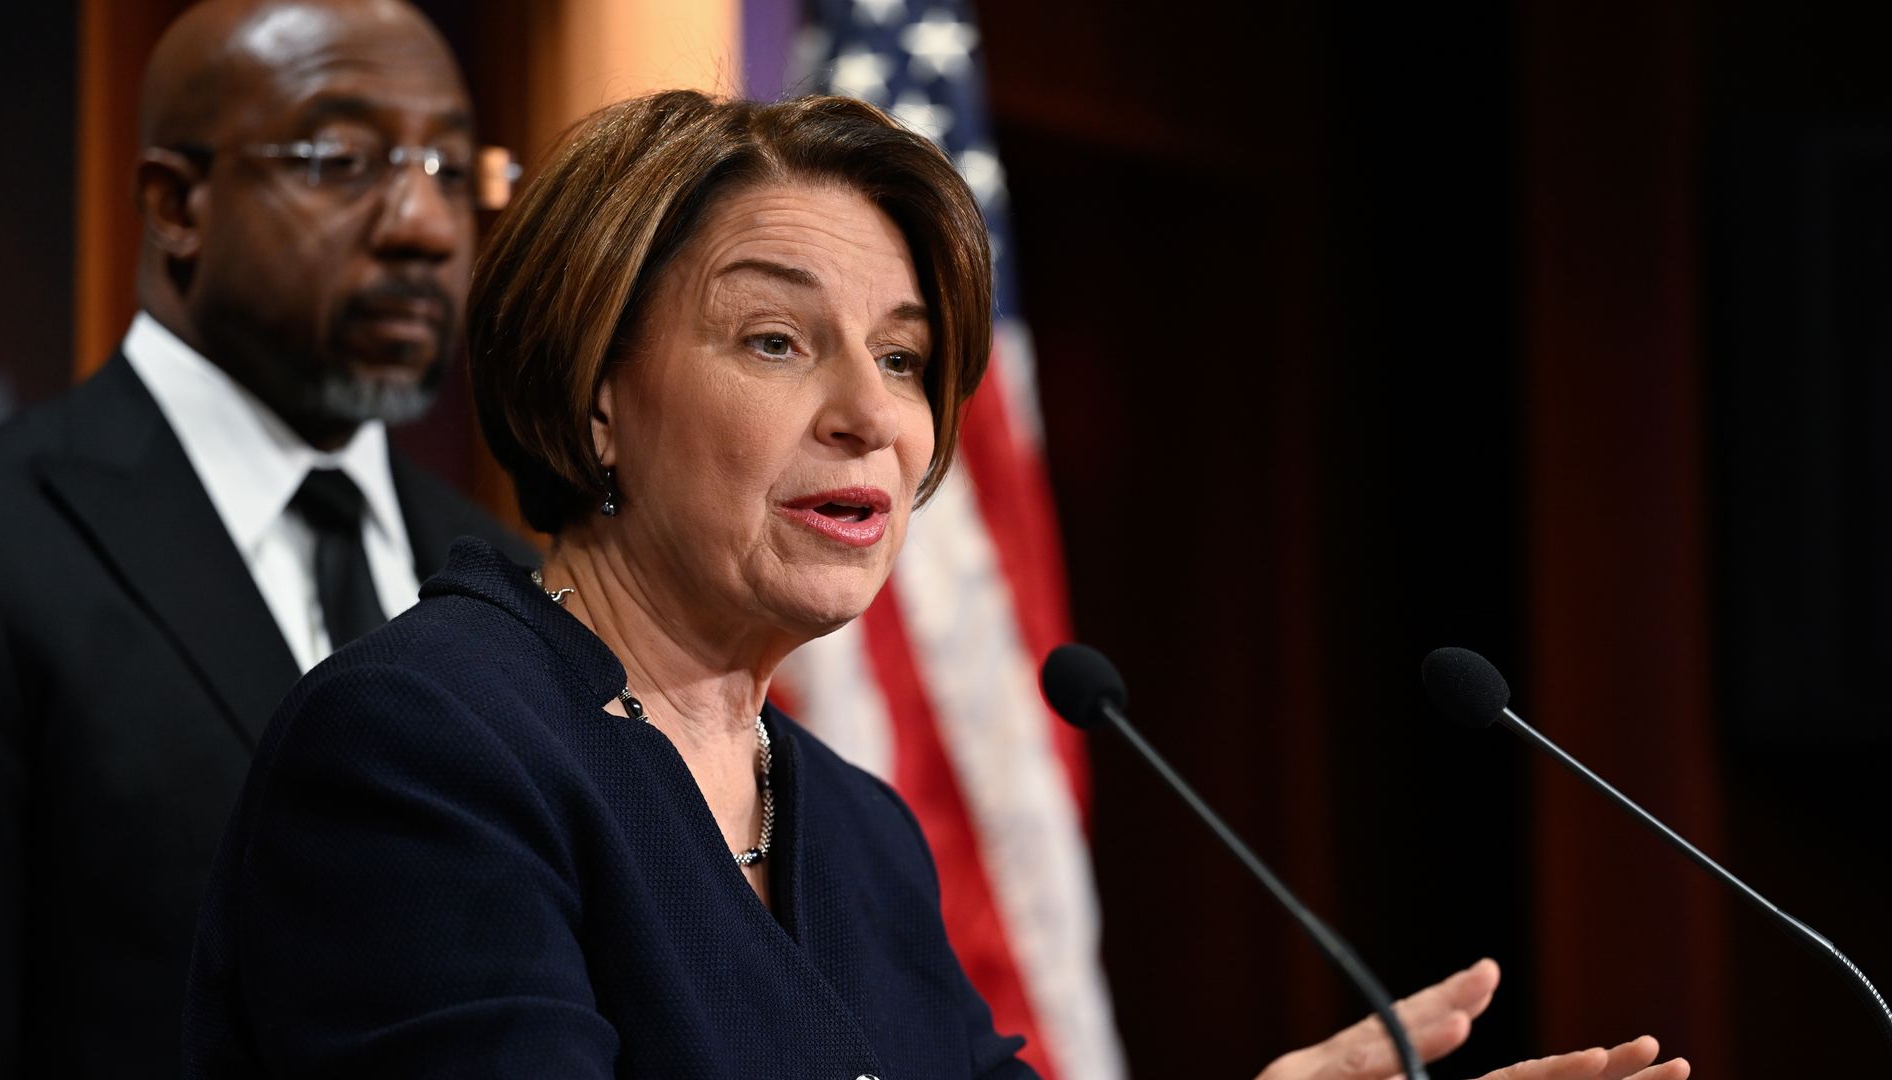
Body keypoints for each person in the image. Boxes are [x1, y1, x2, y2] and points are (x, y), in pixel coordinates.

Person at [180, 90, 1689, 1079]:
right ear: (596, 398)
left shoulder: (854, 830)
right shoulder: (430, 748)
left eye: (903, 358)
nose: (873, 415)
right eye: (776, 340)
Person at [0, 2, 529, 1076]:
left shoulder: (504, 575)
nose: (424, 224)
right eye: (338, 160)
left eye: (453, 169)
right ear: (175, 203)